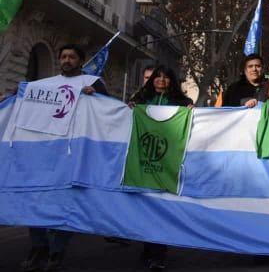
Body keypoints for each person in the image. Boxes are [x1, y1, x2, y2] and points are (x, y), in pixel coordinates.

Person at [21, 44, 106, 272]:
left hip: (74, 156)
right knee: (35, 199)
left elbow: (108, 111)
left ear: (81, 61)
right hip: (45, 153)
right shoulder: (46, 85)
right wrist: (9, 99)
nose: (67, 60)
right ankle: (38, 246)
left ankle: (57, 250)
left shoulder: (93, 83)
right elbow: (24, 103)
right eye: (64, 57)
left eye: (72, 57)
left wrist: (96, 96)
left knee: (66, 202)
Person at [127, 65, 192, 271]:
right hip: (143, 163)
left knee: (161, 210)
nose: (161, 80)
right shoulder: (140, 100)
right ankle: (148, 250)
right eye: (158, 77)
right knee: (146, 211)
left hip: (168, 165)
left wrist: (190, 110)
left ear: (172, 81)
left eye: (166, 77)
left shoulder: (182, 103)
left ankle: (158, 254)